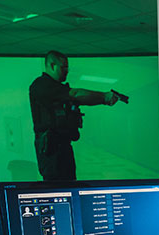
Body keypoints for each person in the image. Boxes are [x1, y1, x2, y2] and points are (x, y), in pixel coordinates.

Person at [29, 50, 119, 181]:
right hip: (52, 151)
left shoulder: (54, 87)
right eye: (63, 67)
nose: (67, 71)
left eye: (67, 67)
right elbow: (76, 94)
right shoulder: (42, 85)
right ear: (52, 65)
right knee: (57, 187)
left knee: (69, 184)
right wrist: (104, 97)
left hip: (61, 147)